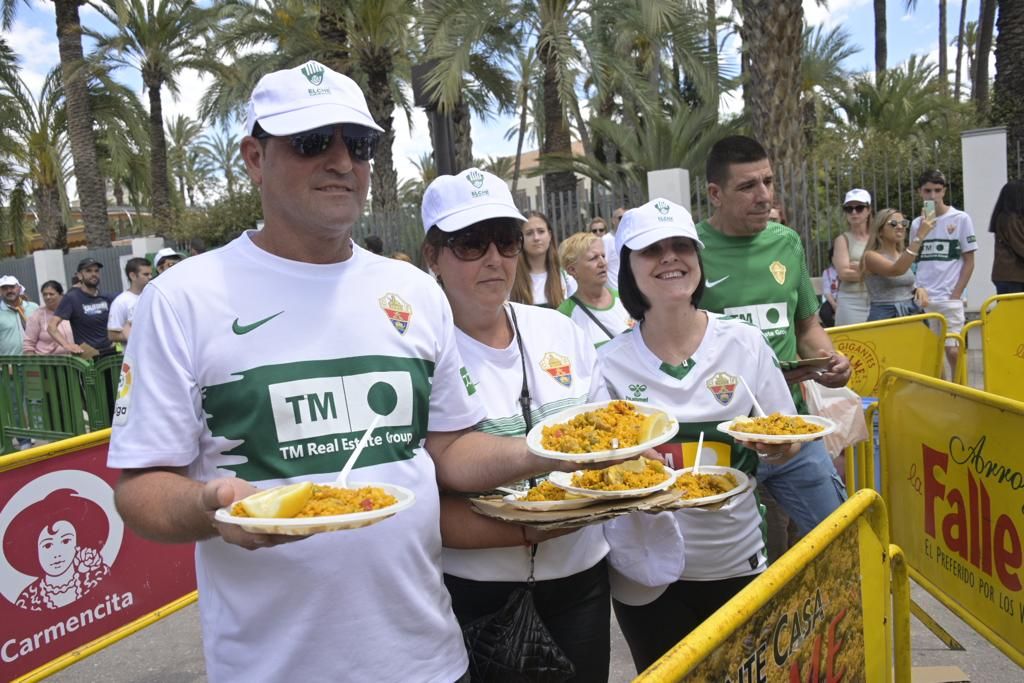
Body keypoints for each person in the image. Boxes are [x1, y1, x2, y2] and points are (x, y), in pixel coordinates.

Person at [107, 61, 568, 683]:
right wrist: (213, 505)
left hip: (429, 660)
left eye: (360, 144)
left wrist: (549, 450)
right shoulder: (182, 298)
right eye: (311, 142)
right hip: (270, 668)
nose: (342, 161)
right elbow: (138, 490)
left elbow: (452, 447)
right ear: (253, 157)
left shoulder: (414, 292)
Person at [420, 168, 612, 681]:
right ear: (432, 256)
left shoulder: (558, 330)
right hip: (477, 591)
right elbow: (421, 492)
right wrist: (531, 515)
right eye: (469, 243)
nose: (493, 259)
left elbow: (611, 427)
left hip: (581, 577)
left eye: (505, 241)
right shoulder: (416, 354)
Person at [598, 198, 798, 671]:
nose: (670, 257)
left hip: (735, 561)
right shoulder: (605, 363)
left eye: (681, 246)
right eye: (651, 250)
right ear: (628, 267)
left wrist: (777, 446)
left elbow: (788, 439)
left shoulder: (745, 344)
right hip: (644, 577)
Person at [696, 135, 848, 537]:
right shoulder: (689, 251)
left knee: (840, 537)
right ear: (715, 193)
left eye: (768, 181)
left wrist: (828, 361)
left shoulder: (787, 243)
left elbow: (807, 327)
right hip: (722, 436)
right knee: (753, 563)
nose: (763, 196)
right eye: (747, 186)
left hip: (788, 426)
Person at [909, 169, 977, 376]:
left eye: (937, 190)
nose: (933, 196)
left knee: (953, 350)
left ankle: (960, 389)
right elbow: (912, 259)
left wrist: (956, 294)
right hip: (925, 299)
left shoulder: (961, 218)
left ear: (944, 191)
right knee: (932, 353)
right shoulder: (916, 224)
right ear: (920, 192)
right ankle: (942, 391)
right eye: (928, 191)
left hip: (950, 298)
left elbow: (969, 261)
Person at [3, 488, 112, 611]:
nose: (57, 554)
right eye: (47, 545)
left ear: (77, 544)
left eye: (65, 541)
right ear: (35, 552)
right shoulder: (28, 599)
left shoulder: (96, 575)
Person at [557, 232, 634, 346]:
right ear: (572, 270)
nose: (602, 263)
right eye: (593, 258)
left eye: (603, 256)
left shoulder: (626, 299)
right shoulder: (564, 315)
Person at [863, 208, 934, 321]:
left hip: (910, 312)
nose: (900, 227)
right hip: (885, 316)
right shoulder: (870, 256)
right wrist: (919, 237)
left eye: (904, 223)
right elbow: (896, 270)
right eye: (893, 224)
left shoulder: (902, 254)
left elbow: (903, 280)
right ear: (880, 230)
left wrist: (916, 289)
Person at [48, 258, 115, 357]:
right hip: (88, 357)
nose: (93, 274)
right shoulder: (71, 298)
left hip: (111, 353)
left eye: (96, 271)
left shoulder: (107, 296)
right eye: (88, 271)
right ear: (79, 275)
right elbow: (51, 326)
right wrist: (67, 345)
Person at [509, 210, 575, 307]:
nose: (536, 238)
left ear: (550, 235)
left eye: (541, 231)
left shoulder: (566, 279)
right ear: (520, 239)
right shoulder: (511, 280)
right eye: (529, 233)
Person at [832, 189, 873, 326]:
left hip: (878, 299)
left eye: (859, 208)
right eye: (849, 209)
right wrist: (875, 271)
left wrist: (861, 269)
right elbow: (844, 274)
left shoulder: (878, 238)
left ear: (868, 210)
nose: (854, 212)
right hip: (851, 301)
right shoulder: (842, 239)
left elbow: (892, 267)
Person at [989, 179, 1024, 294]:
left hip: (1009, 276)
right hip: (1013, 277)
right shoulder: (1011, 219)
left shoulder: (1006, 217)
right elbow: (1020, 245)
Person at [108, 257, 153, 345]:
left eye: (151, 274)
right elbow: (112, 335)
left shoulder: (154, 296)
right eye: (146, 274)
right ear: (132, 276)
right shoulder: (121, 302)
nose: (150, 277)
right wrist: (137, 336)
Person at [23, 281, 73, 356]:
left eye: (51, 294)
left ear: (61, 295)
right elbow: (28, 345)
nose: (48, 297)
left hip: (72, 361)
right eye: (45, 294)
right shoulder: (37, 315)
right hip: (47, 363)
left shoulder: (71, 312)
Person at [0, 276, 38, 356]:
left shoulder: (34, 308)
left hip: (35, 361)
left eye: (12, 287)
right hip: (9, 364)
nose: (9, 290)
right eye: (4, 288)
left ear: (19, 288)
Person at [819, 242, 839, 328]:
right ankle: (835, 329)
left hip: (846, 299)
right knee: (824, 312)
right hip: (832, 300)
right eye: (835, 257)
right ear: (831, 258)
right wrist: (834, 305)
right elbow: (827, 292)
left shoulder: (847, 271)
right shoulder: (827, 272)